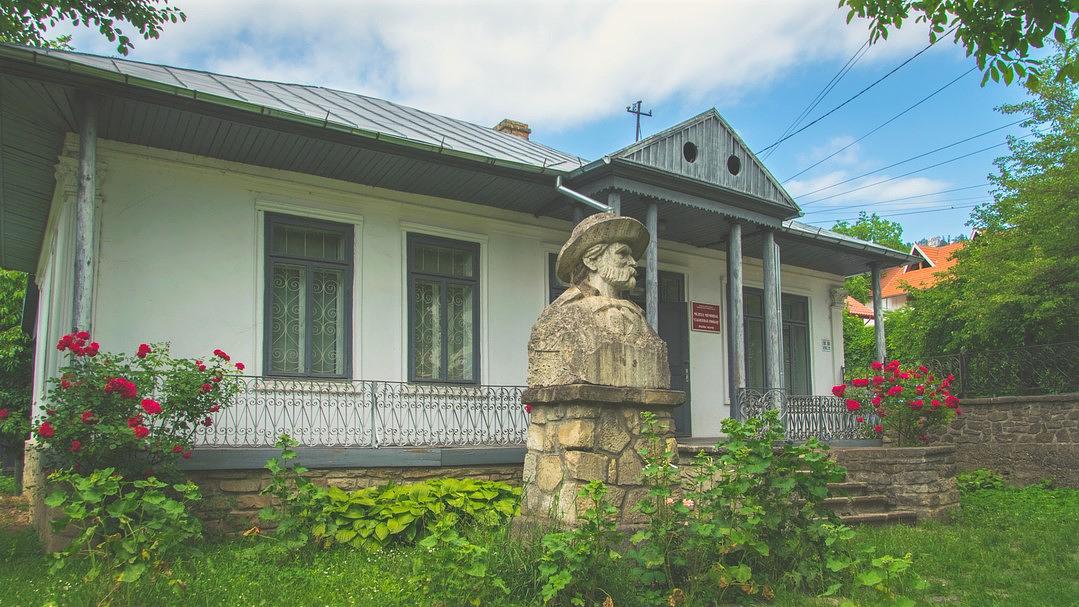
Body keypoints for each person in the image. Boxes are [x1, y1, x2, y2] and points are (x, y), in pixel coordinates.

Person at [527, 213, 669, 389]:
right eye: (623, 254)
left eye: (632, 256)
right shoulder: (564, 317)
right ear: (592, 260)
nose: (633, 263)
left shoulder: (638, 316)